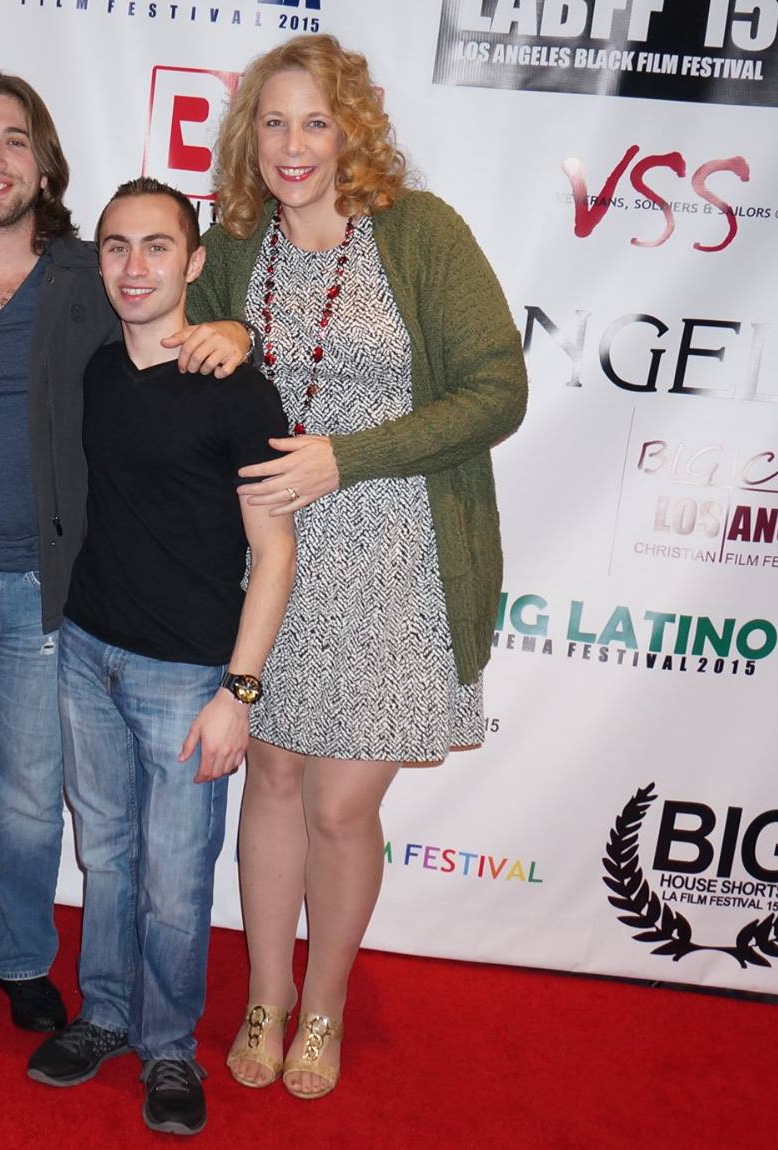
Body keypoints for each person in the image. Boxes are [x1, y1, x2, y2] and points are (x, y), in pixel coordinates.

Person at [0, 73, 255, 1040]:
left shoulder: (89, 272)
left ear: (44, 163)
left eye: (16, 140)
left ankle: (22, 958)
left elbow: (191, 291)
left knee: (33, 794)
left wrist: (237, 328)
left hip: (47, 584)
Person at [185, 34, 528, 1098]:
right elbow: (180, 348)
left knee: (339, 808)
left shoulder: (418, 233)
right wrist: (220, 337)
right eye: (274, 123)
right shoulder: (234, 240)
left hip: (397, 558)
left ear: (352, 132)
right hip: (266, 559)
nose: (293, 146)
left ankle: (322, 1009)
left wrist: (348, 456)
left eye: (315, 123)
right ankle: (265, 996)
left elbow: (495, 391)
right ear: (251, 135)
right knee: (273, 779)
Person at [25, 178, 294, 1137]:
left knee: (177, 881)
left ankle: (170, 1048)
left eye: (155, 247)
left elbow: (275, 553)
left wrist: (239, 693)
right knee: (106, 856)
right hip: (87, 655)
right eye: (115, 247)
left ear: (192, 261)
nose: (134, 267)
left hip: (186, 677)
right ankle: (103, 1016)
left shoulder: (236, 391)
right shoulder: (95, 372)